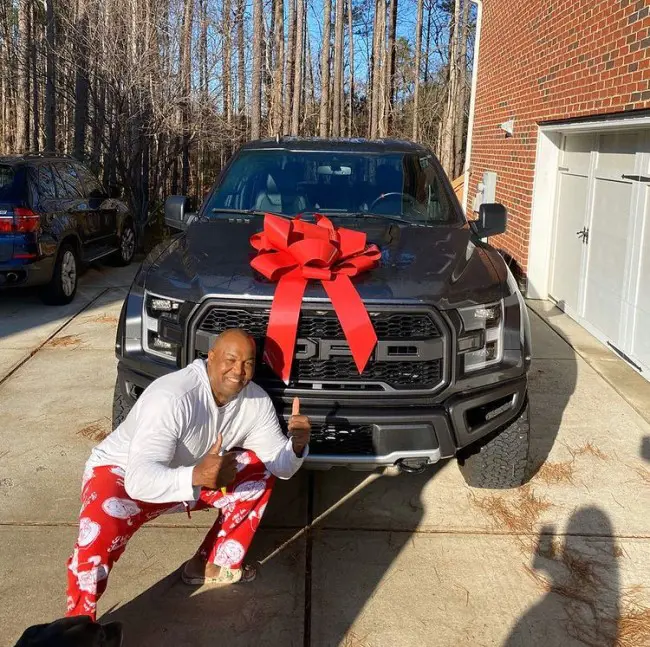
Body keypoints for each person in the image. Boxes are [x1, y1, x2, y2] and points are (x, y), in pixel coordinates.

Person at [65, 329, 311, 620]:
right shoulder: (172, 396)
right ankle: (78, 624)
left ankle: (212, 565)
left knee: (257, 471)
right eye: (230, 360)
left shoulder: (255, 402)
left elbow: (279, 467)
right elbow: (139, 480)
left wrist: (296, 446)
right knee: (97, 537)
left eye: (248, 362)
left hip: (192, 477)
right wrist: (196, 476)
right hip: (123, 473)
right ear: (210, 358)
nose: (239, 370)